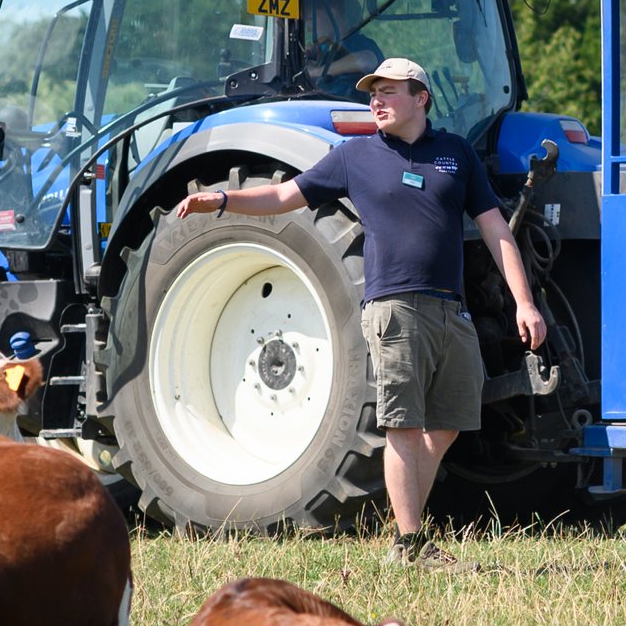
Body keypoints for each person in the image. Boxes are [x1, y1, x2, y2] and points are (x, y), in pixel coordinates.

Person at [176, 57, 545, 564]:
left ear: (421, 98)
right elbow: (284, 195)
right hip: (394, 309)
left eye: (389, 92)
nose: (376, 101)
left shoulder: (456, 155)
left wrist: (523, 302)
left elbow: (495, 230)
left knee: (449, 423)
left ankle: (405, 526)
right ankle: (410, 541)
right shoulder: (356, 156)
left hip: (451, 311)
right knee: (403, 424)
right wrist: (221, 198)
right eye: (373, 92)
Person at [299, 0, 381, 90]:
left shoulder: (359, 43)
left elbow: (366, 60)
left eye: (310, 19)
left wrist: (316, 72)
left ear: (333, 12)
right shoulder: (327, 53)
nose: (308, 28)